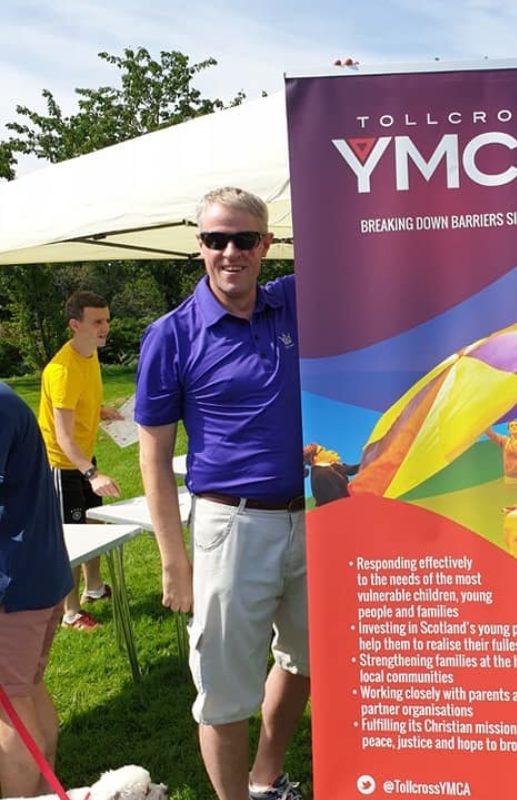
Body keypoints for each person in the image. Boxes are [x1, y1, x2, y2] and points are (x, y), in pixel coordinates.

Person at [135, 187, 308, 800]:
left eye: (244, 239)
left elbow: (358, 251)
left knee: (304, 661)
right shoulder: (171, 334)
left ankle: (266, 778)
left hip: (312, 517)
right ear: (200, 246)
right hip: (231, 527)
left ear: (267, 244)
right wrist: (173, 560)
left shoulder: (293, 302)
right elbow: (152, 457)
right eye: (216, 239)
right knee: (225, 693)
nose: (230, 252)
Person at [0, 382, 73, 796]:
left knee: (10, 710)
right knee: (27, 691)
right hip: (38, 573)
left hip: (13, 586)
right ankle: (44, 792)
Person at [37, 291, 122, 631]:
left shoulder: (90, 354)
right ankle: (70, 612)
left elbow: (79, 403)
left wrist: (101, 411)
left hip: (84, 461)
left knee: (93, 522)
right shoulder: (62, 370)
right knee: (71, 538)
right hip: (64, 465)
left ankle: (95, 588)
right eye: (97, 321)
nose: (105, 327)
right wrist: (92, 474)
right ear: (75, 325)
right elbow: (63, 437)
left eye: (107, 320)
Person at [485, 397, 517, 497]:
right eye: (511, 426)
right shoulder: (504, 441)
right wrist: (488, 414)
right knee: (512, 502)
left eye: (516, 425)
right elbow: (489, 432)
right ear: (508, 430)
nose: (514, 427)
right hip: (511, 480)